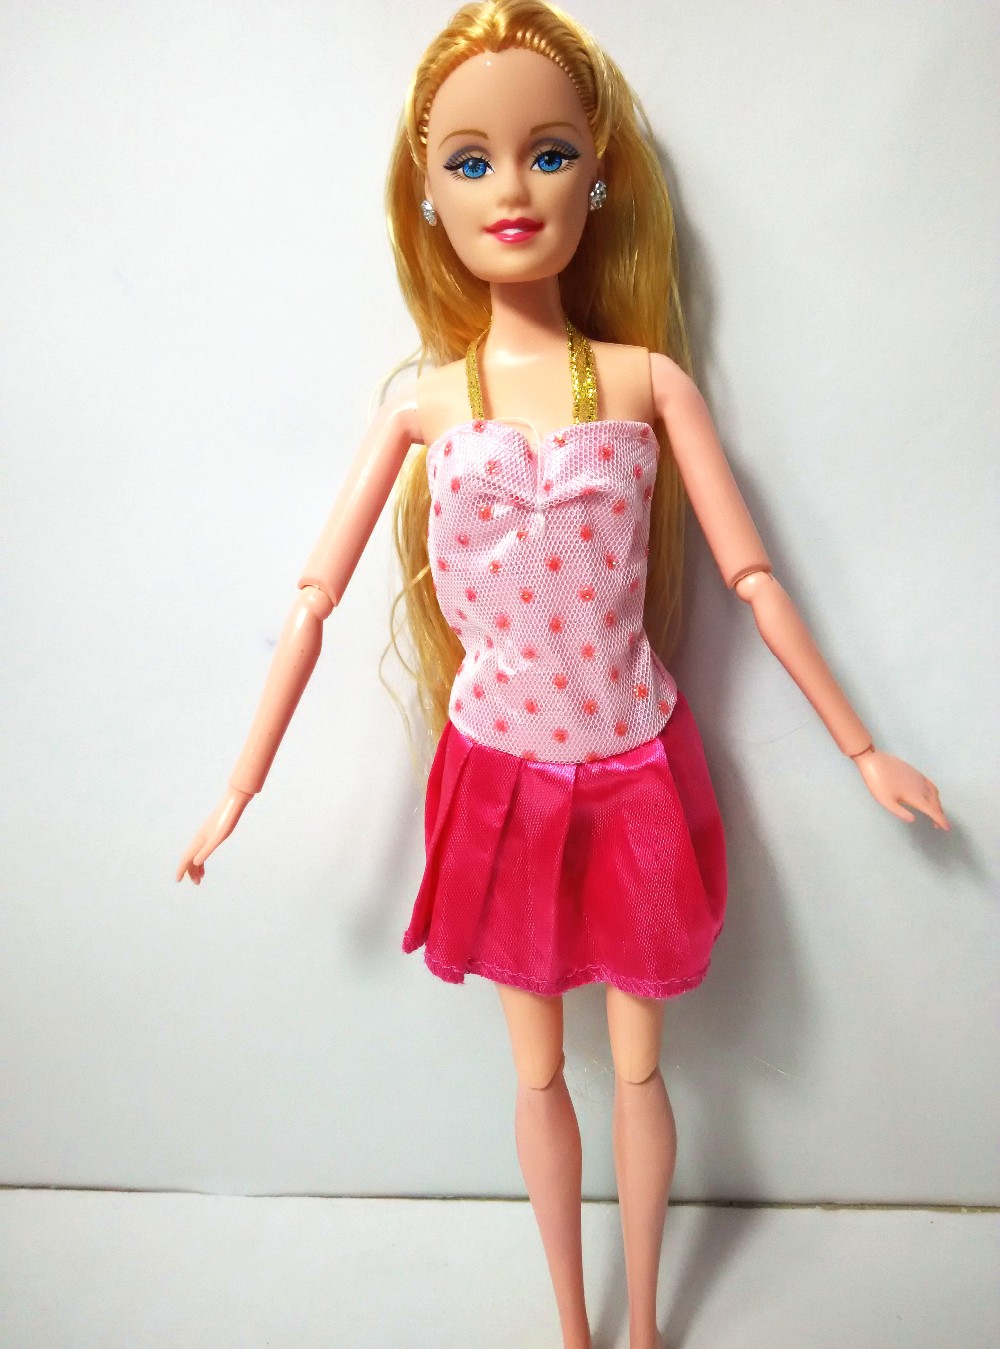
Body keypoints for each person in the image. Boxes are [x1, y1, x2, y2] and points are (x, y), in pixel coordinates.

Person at [177, 4, 948, 1346]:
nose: (512, 189)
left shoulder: (648, 383)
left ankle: (642, 1320)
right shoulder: (424, 401)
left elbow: (755, 579)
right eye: (469, 160)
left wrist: (861, 744)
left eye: (546, 152)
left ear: (597, 176)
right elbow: (315, 598)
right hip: (502, 778)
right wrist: (240, 784)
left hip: (634, 763)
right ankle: (571, 1327)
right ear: (426, 195)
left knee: (640, 1073)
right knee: (539, 1075)